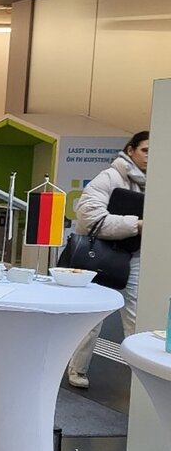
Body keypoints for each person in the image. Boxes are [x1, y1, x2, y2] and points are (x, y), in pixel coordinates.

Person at [65, 130, 148, 389]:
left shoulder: (159, 182)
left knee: (138, 319)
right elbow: (89, 218)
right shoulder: (110, 177)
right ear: (131, 149)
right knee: (93, 317)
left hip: (134, 256)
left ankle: (144, 380)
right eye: (146, 150)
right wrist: (137, 225)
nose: (150, 156)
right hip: (100, 255)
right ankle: (76, 369)